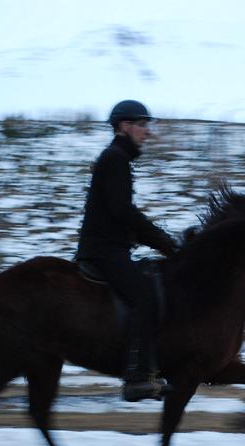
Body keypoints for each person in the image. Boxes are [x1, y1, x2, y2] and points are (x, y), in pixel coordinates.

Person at [75, 100, 178, 402]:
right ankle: (135, 378)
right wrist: (162, 241)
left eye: (148, 125)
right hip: (103, 251)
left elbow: (121, 213)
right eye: (142, 125)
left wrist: (158, 239)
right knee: (144, 298)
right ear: (123, 126)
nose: (148, 132)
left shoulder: (118, 158)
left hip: (110, 249)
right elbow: (122, 211)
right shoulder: (114, 159)